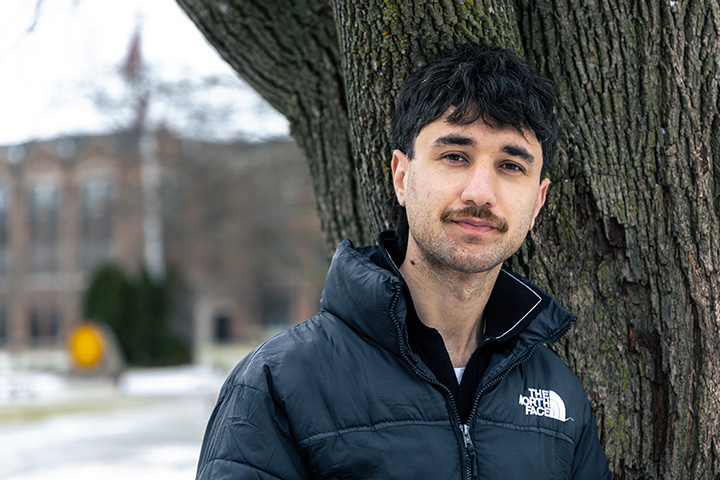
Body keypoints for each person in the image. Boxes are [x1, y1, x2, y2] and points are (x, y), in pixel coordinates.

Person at [196, 42, 611, 479]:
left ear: (538, 202)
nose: (480, 193)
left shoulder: (561, 396)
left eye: (511, 166)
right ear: (401, 176)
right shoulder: (280, 383)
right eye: (455, 156)